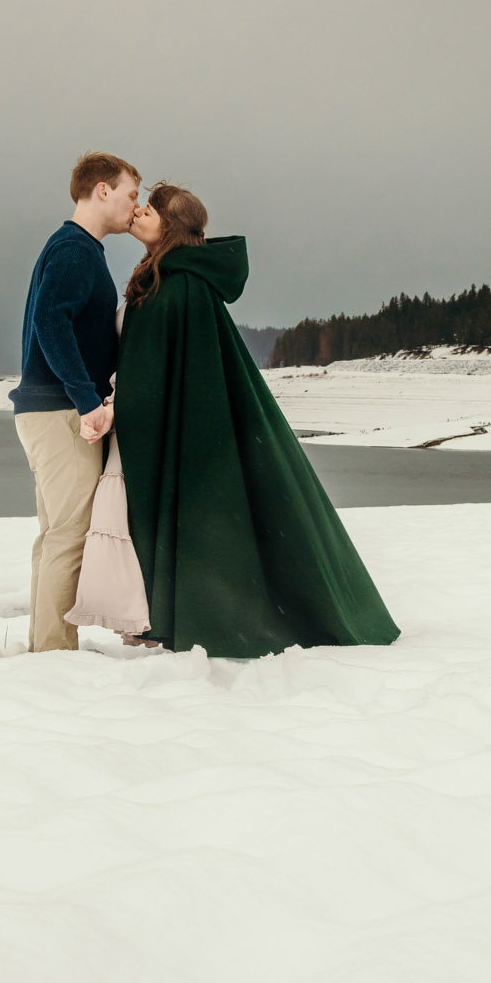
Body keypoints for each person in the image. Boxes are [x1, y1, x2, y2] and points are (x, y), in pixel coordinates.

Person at [113, 183, 399, 658]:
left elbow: (156, 369)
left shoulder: (178, 284)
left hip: (185, 431)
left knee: (183, 516)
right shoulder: (177, 276)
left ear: (171, 226)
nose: (139, 211)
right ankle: (167, 618)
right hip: (183, 425)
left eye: (152, 208)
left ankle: (182, 619)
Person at [10, 150, 139, 652]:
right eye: (131, 194)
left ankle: (45, 647)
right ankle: (52, 655)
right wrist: (87, 401)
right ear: (101, 189)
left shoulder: (78, 249)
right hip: (60, 412)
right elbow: (50, 321)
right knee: (69, 537)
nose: (136, 206)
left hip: (45, 410)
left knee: (54, 536)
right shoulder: (75, 250)